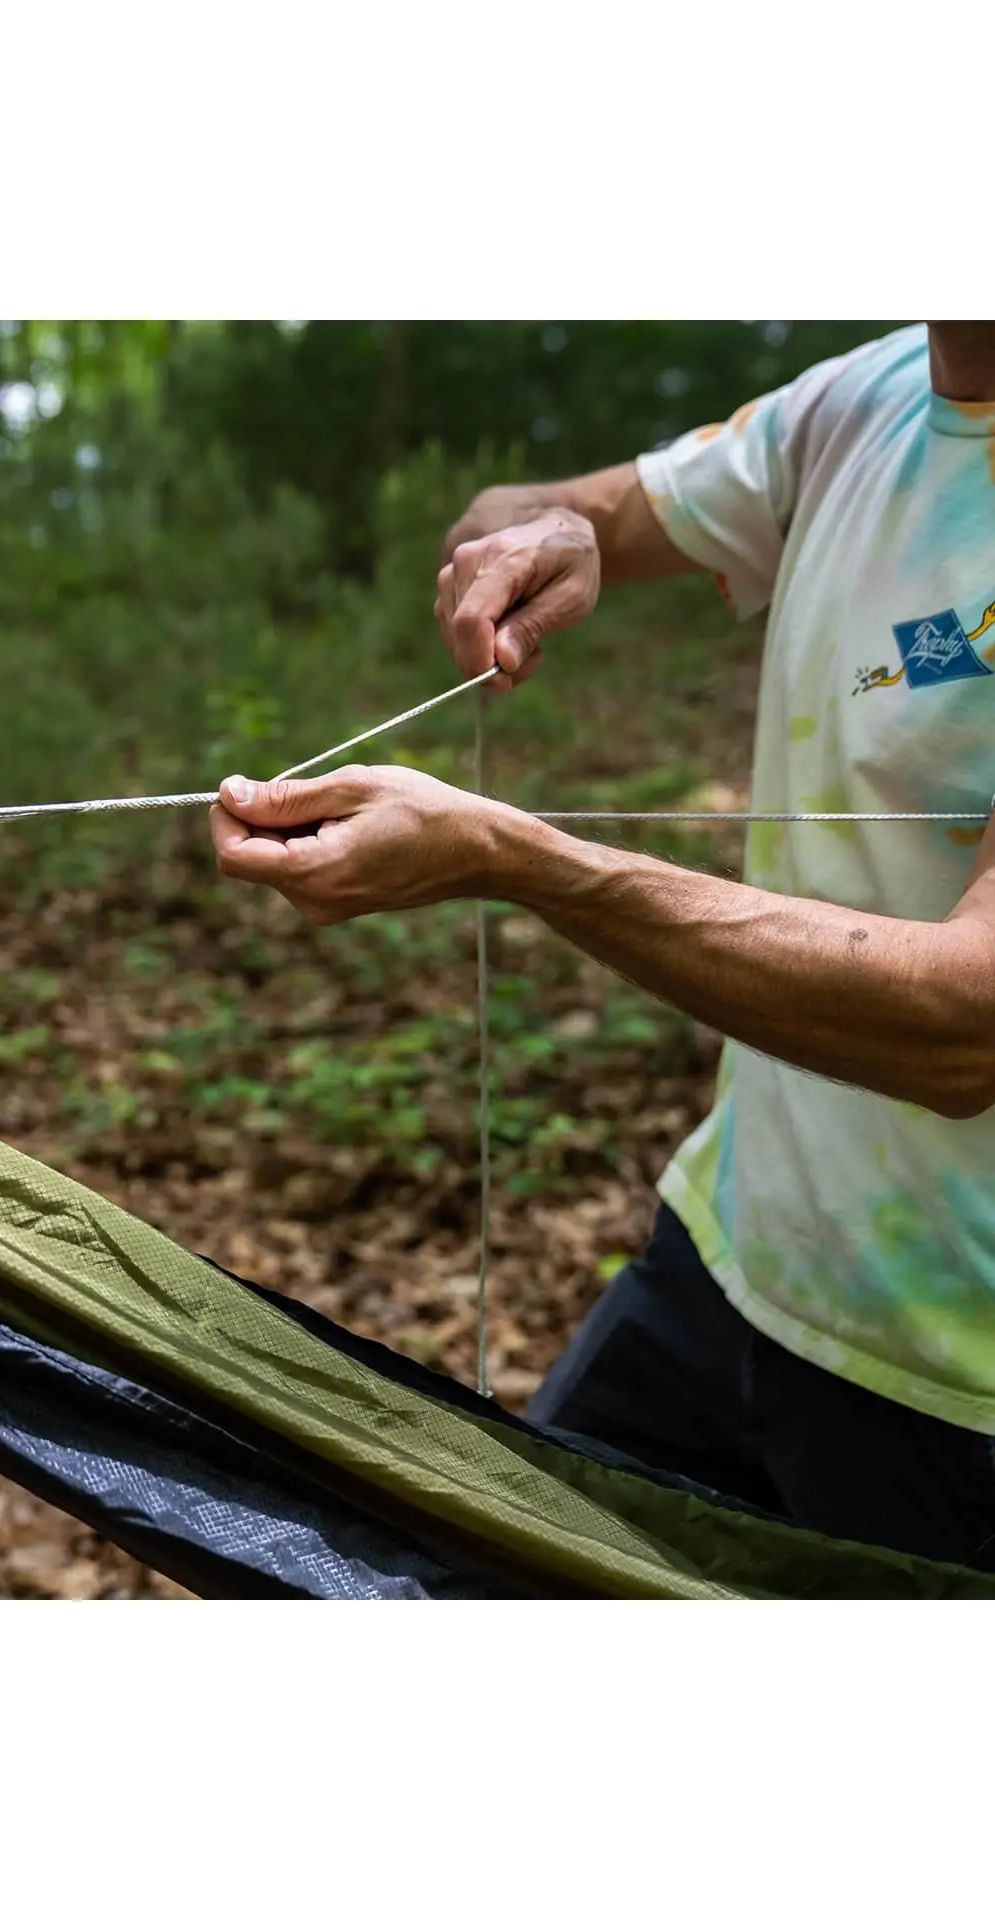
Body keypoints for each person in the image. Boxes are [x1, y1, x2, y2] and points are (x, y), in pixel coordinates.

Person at [209, 322, 995, 1569]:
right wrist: (555, 531)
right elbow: (509, 512)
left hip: (955, 1389)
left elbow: (967, 1027)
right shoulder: (865, 397)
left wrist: (520, 862)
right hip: (729, 1260)